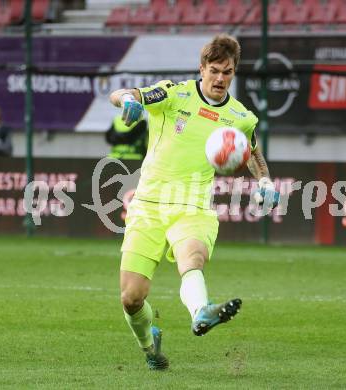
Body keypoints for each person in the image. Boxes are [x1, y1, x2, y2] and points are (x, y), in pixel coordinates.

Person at [109, 34, 280, 370]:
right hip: (148, 204)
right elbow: (127, 94)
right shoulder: (174, 94)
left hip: (193, 205)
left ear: (234, 72)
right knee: (131, 298)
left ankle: (202, 311)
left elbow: (253, 152)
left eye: (227, 72)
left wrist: (265, 181)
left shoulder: (240, 116)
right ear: (202, 68)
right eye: (214, 70)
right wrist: (127, 100)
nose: (220, 78)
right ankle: (150, 346)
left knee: (193, 257)